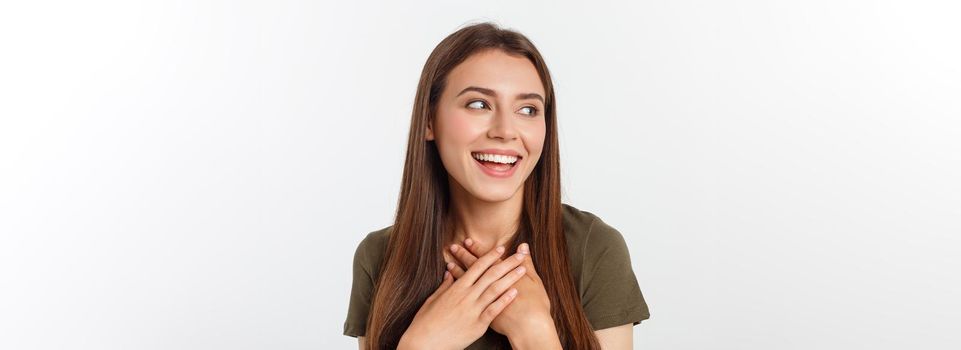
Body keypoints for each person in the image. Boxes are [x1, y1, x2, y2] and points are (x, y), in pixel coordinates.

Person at [343, 22, 650, 349]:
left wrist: (534, 331)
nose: (505, 130)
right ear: (429, 121)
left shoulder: (593, 249)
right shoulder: (380, 257)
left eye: (528, 109)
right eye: (479, 104)